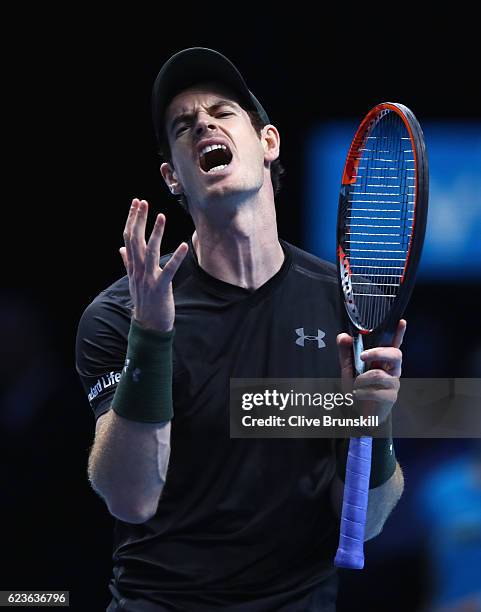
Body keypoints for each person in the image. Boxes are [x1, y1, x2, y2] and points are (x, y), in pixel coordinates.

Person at [75, 47, 405, 612]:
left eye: (223, 112)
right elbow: (130, 499)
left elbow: (367, 522)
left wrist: (370, 423)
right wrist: (151, 337)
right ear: (172, 178)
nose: (202, 122)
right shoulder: (121, 314)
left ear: (268, 143)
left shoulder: (347, 307)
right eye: (183, 125)